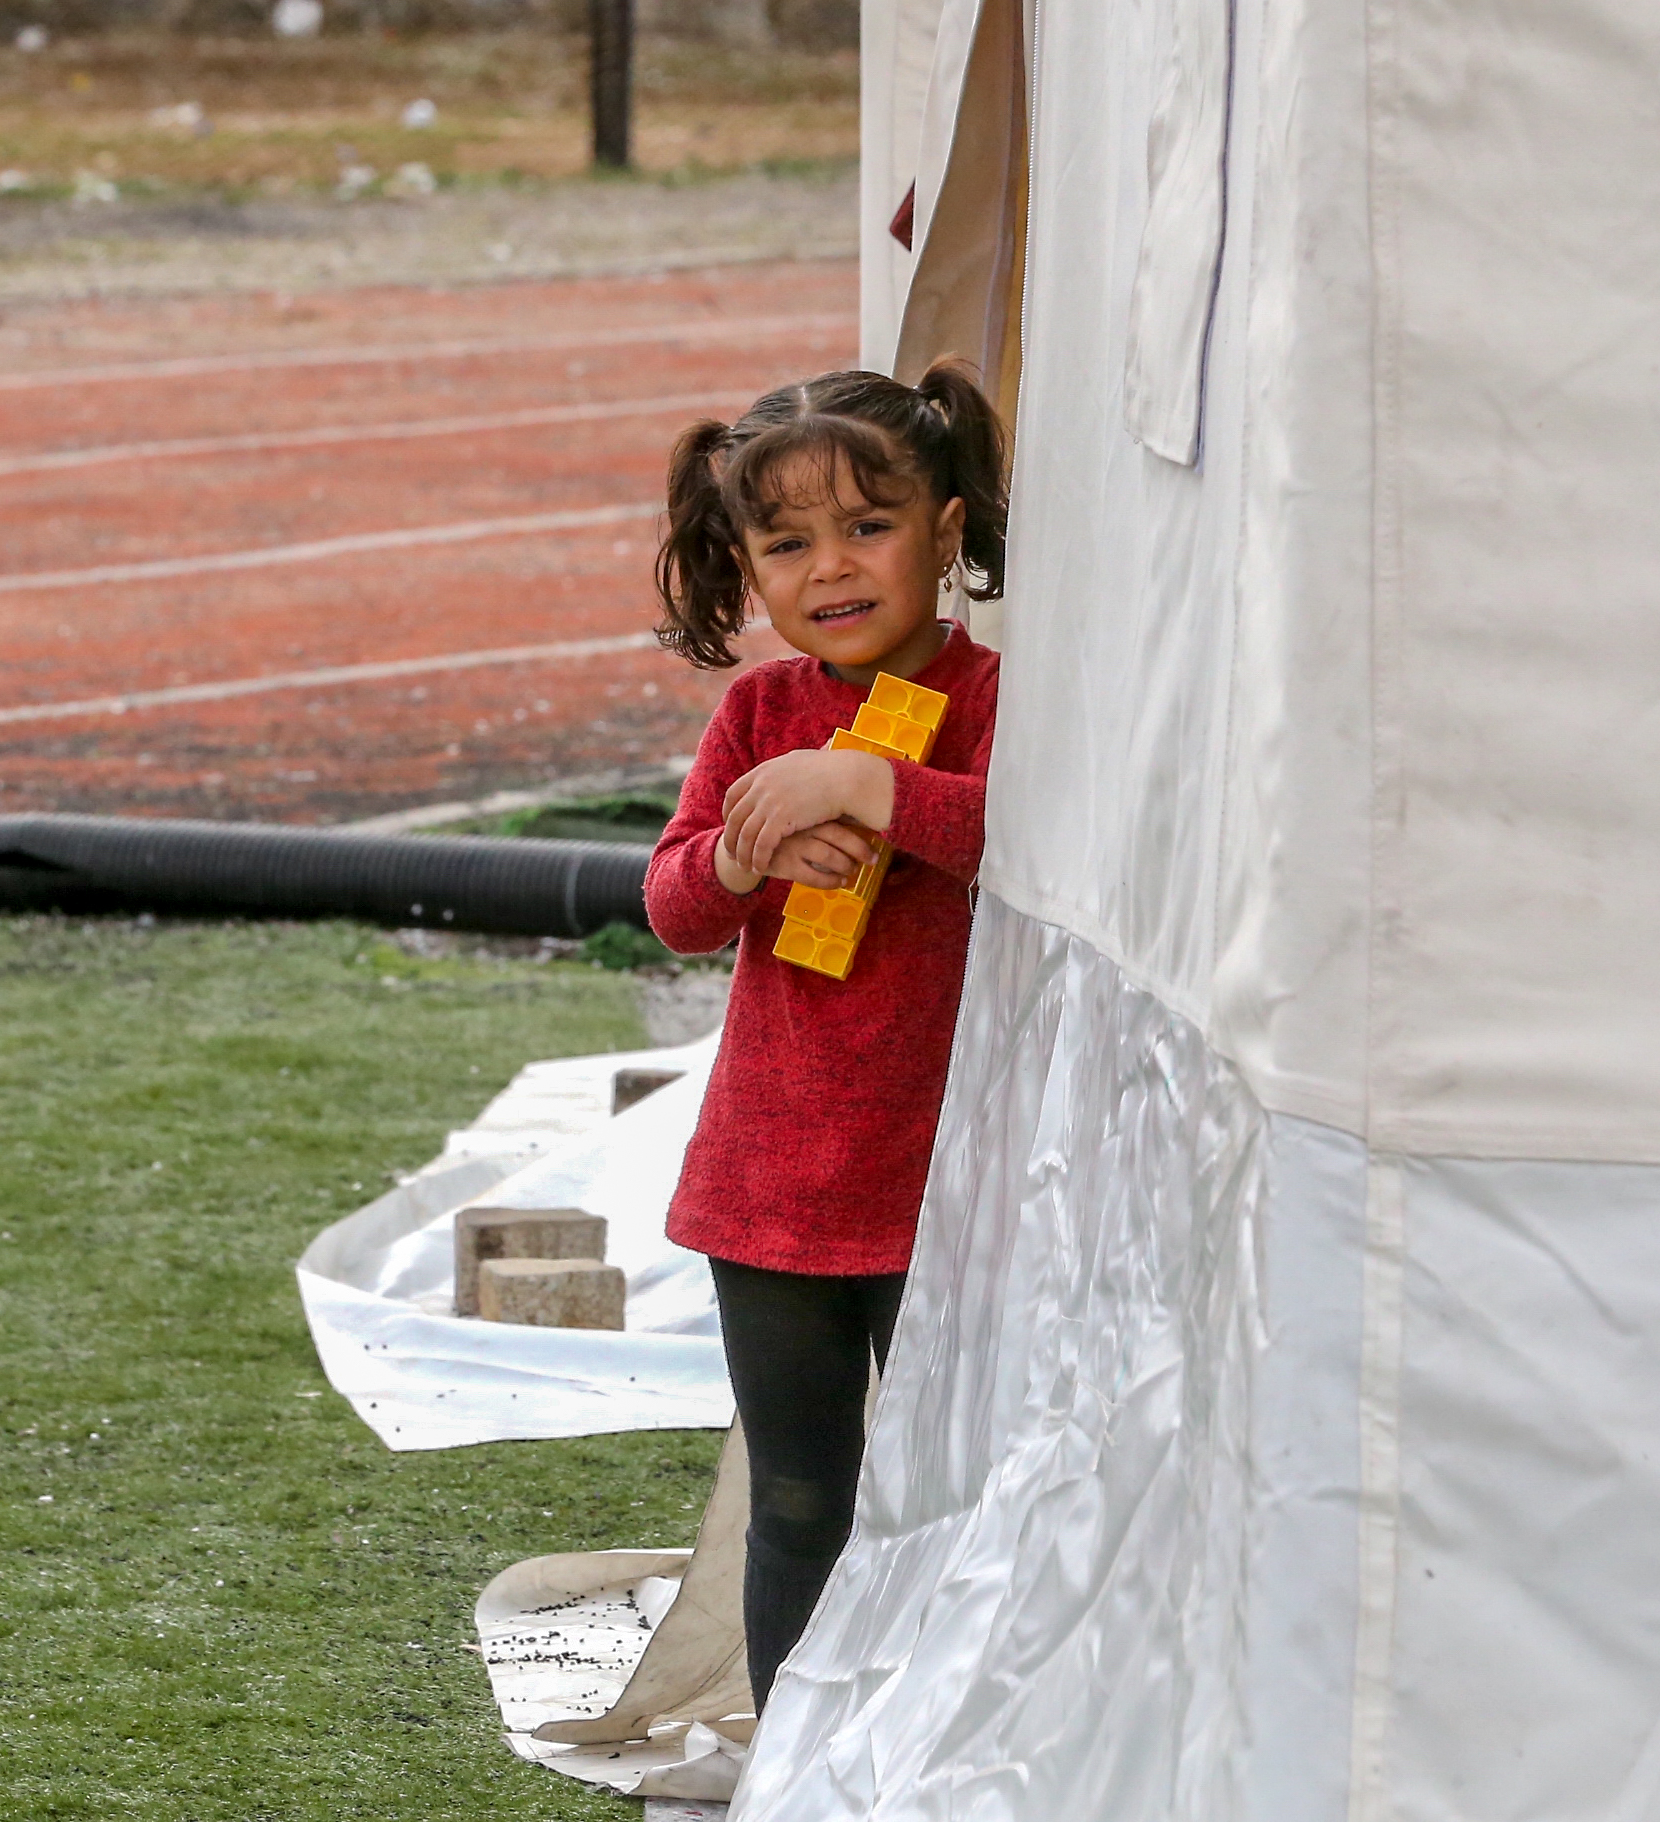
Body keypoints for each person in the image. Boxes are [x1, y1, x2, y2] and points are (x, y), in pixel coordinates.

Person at [643, 360, 1006, 1714]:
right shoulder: (756, 714)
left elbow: (1020, 847)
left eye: (869, 525)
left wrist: (872, 783)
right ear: (744, 566)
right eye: (786, 542)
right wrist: (743, 859)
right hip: (771, 1187)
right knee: (801, 1496)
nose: (831, 567)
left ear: (948, 533)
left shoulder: (995, 703)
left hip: (942, 1194)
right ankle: (795, 1754)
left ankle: (930, 1750)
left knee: (947, 1494)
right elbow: (674, 901)